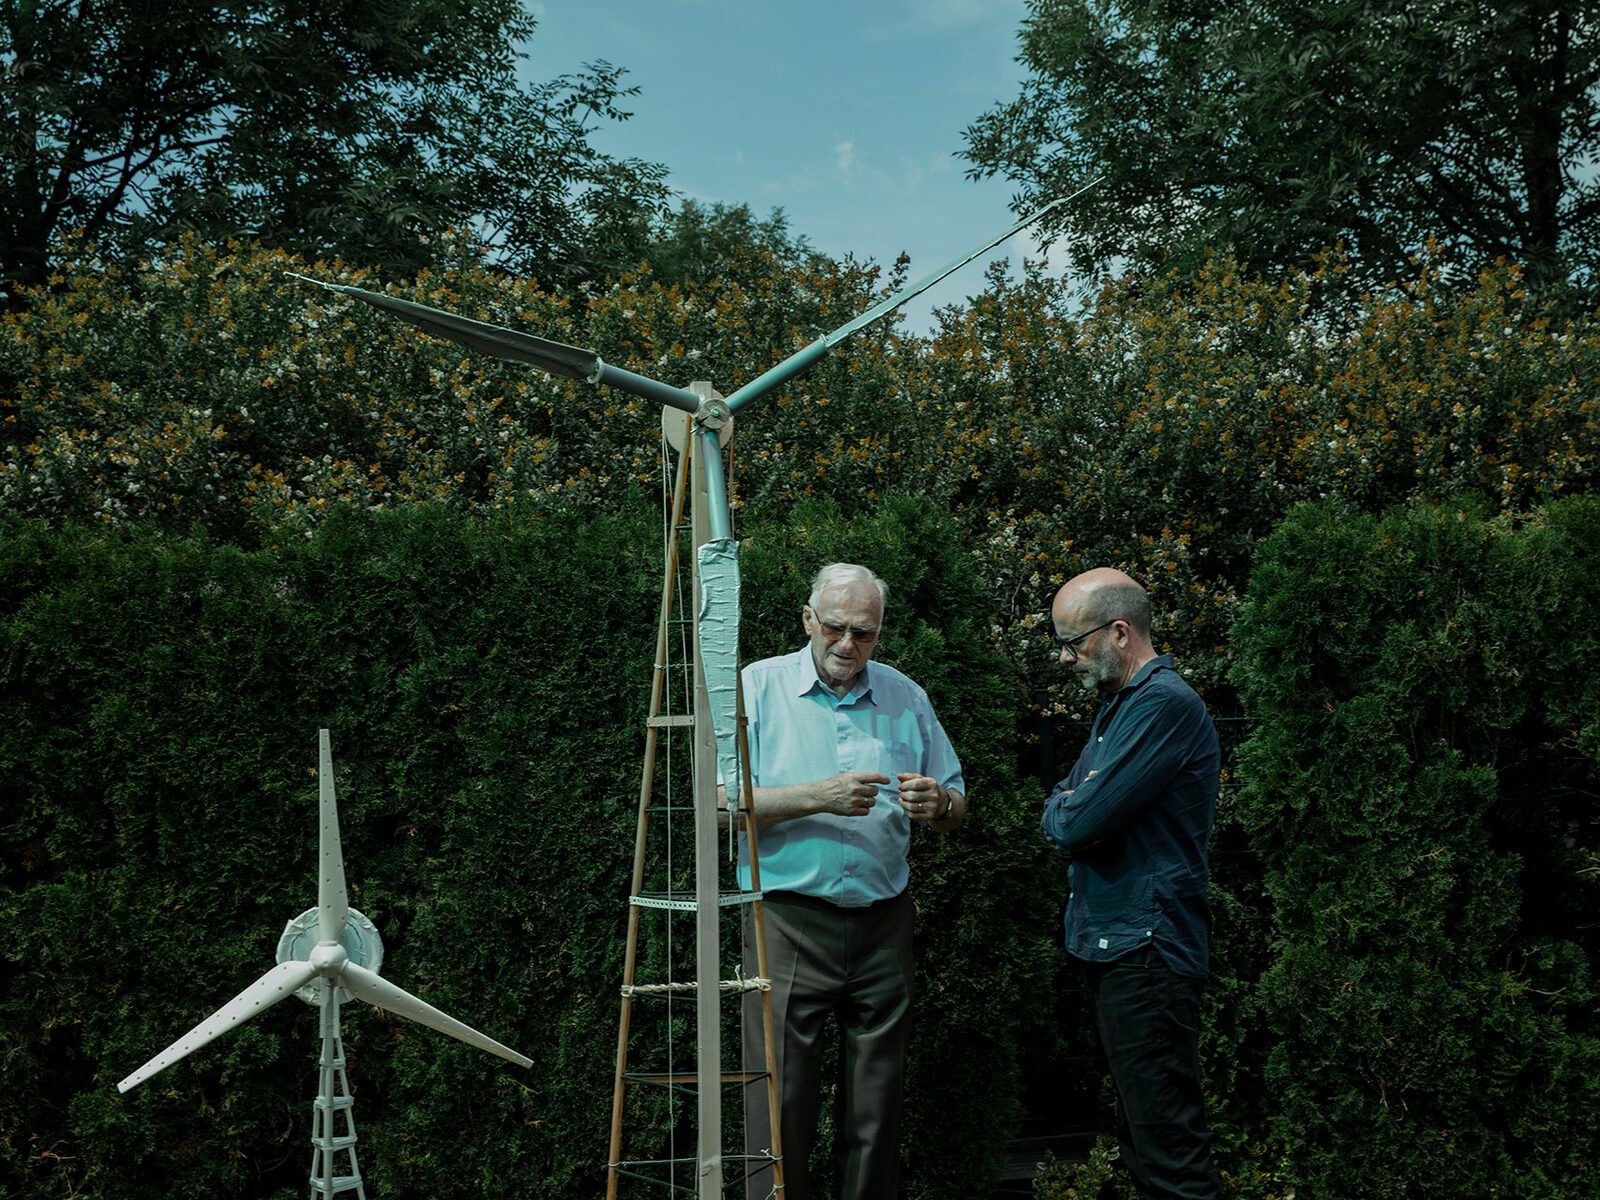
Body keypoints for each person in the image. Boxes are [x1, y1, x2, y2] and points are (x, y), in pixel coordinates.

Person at [727, 562, 966, 1200]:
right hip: (785, 915)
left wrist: (937, 804)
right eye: (835, 628)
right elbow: (719, 799)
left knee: (878, 1104)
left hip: (884, 920)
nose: (847, 645)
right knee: (779, 1097)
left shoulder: (905, 696)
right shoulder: (758, 687)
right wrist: (818, 796)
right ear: (808, 619)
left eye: (864, 633)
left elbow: (957, 798)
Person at [1042, 568, 1222, 1200]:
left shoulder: (1162, 705)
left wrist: (1071, 804)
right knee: (1144, 1147)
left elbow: (1074, 819)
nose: (1065, 657)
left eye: (1075, 641)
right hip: (1118, 944)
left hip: (1145, 948)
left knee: (1169, 1152)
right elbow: (1064, 809)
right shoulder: (1119, 708)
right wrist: (1070, 804)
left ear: (1120, 631)